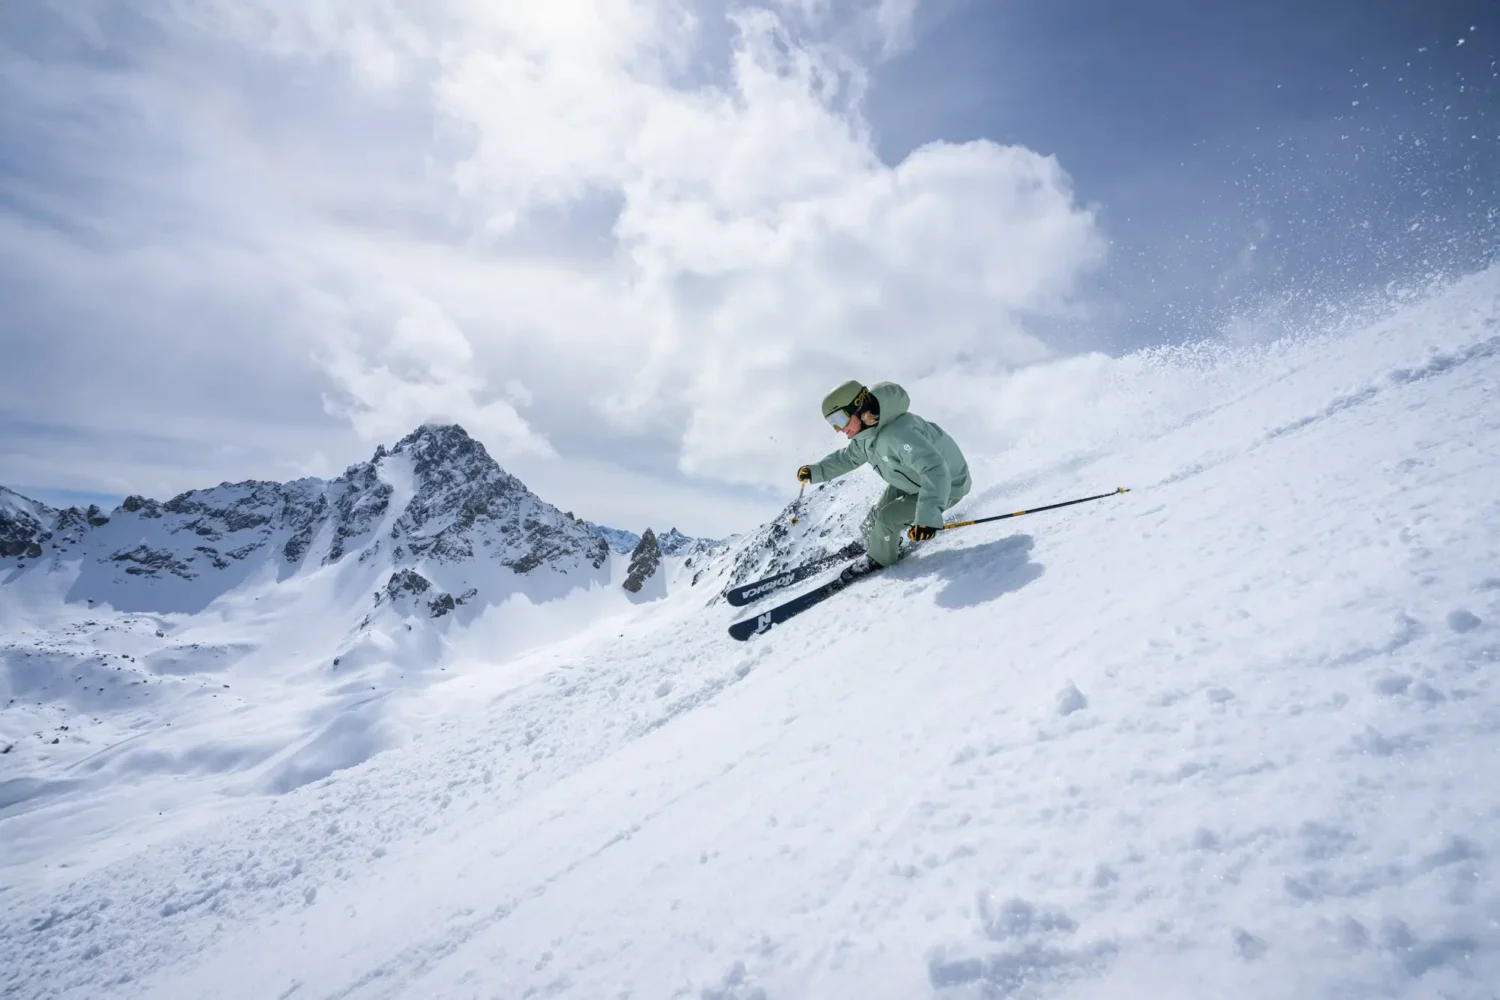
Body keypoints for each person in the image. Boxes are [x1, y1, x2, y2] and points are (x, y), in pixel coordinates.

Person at [798, 380, 971, 572]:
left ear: (857, 407)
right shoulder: (866, 437)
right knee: (877, 513)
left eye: (839, 420)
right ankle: (871, 540)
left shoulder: (899, 434)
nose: (838, 429)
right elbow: (847, 459)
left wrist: (927, 518)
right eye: (832, 424)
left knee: (888, 519)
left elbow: (934, 469)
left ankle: (878, 558)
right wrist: (816, 471)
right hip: (913, 480)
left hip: (948, 485)